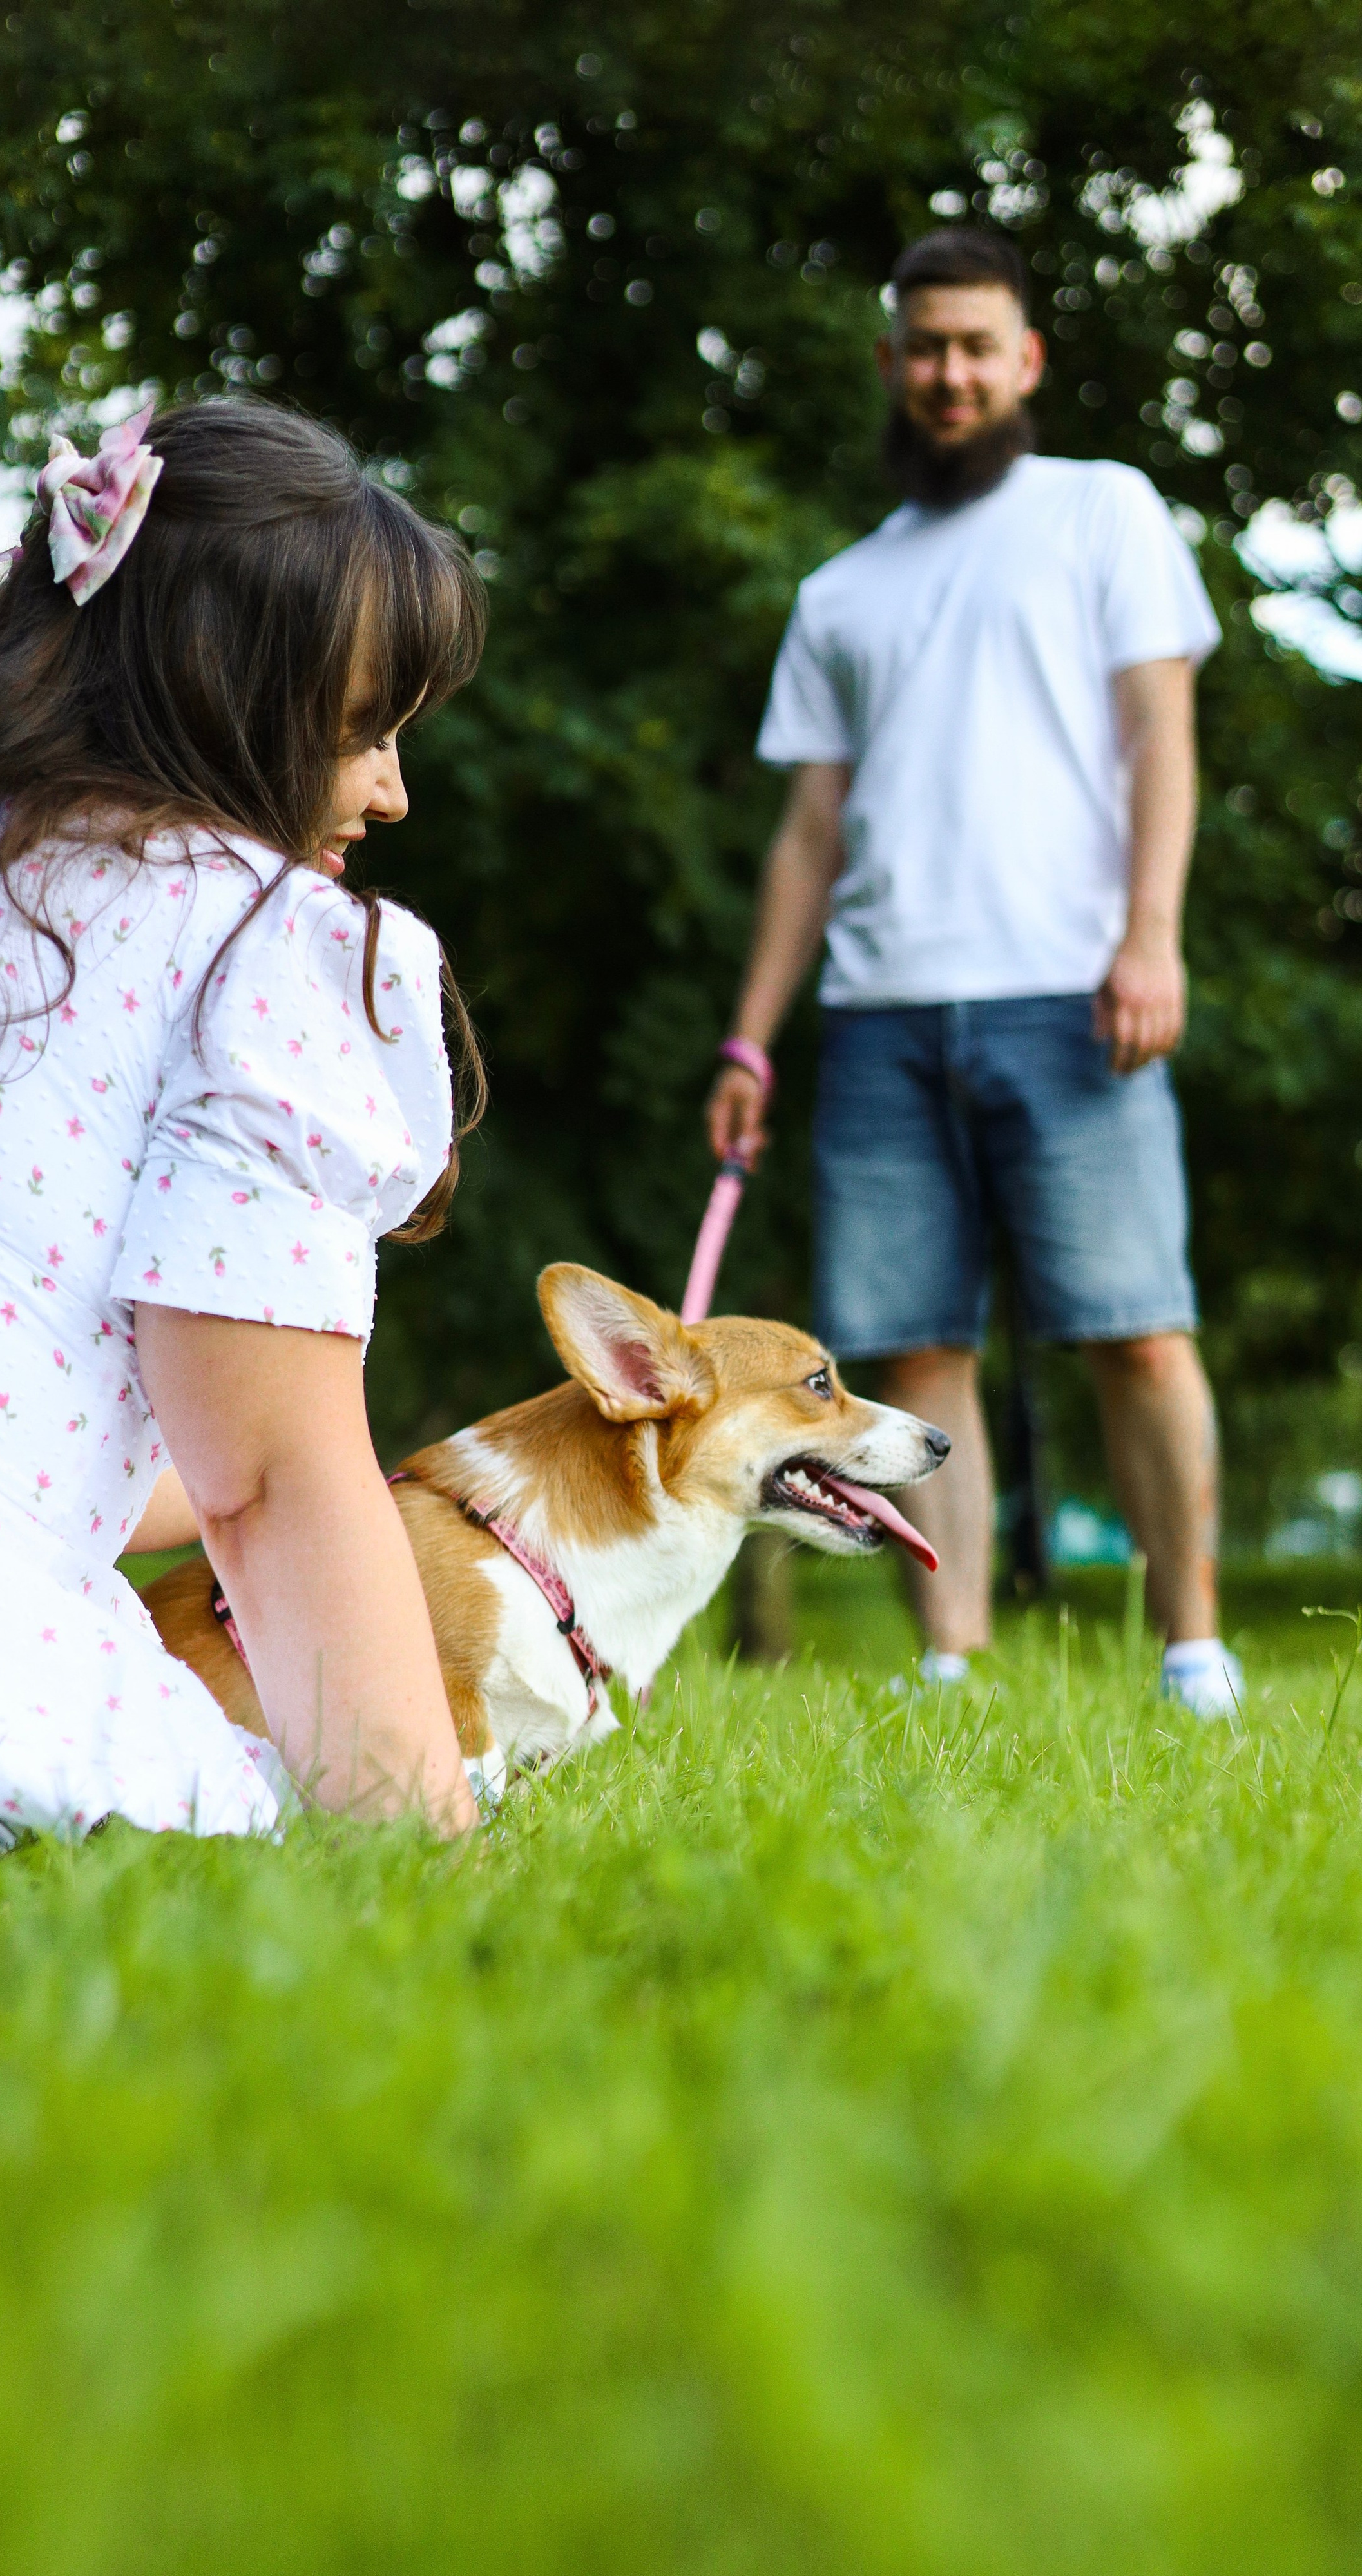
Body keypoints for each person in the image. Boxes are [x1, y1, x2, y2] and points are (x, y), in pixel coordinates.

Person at [0, 399, 485, 1840]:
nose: (389, 790)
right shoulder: (254, 945)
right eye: (364, 730)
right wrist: (429, 1852)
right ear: (226, 695)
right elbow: (268, 1479)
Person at [707, 226, 1240, 1715]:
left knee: (1135, 1329)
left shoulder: (1101, 510)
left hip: (1072, 992)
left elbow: (1162, 737)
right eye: (925, 347)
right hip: (877, 1014)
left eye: (975, 347)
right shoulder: (840, 591)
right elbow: (807, 835)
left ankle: (1192, 1650)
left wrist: (1149, 933)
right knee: (911, 1346)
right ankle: (953, 1662)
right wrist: (749, 1038)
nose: (949, 373)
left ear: (1024, 360)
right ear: (891, 362)